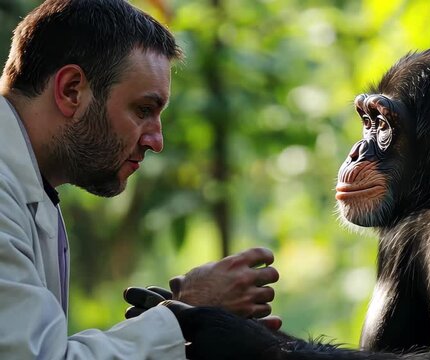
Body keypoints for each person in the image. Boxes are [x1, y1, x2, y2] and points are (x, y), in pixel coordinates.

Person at [0, 0, 279, 358]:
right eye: (143, 110)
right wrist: (183, 316)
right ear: (71, 90)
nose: (156, 142)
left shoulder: (31, 188)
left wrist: (171, 320)